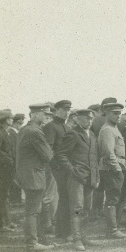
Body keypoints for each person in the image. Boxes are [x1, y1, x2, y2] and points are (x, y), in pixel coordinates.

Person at [54, 109, 100, 251]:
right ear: (77, 119)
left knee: (87, 208)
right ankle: (77, 239)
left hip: (90, 177)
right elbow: (61, 155)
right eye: (86, 118)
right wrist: (72, 171)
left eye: (91, 119)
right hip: (77, 178)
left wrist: (96, 176)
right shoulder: (73, 134)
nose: (89, 121)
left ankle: (83, 235)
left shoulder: (92, 135)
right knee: (77, 208)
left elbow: (94, 158)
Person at [15, 104, 55, 251]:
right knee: (33, 210)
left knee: (31, 209)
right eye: (45, 115)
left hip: (27, 174)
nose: (47, 118)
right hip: (34, 175)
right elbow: (48, 155)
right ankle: (32, 243)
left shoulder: (25, 129)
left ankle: (35, 240)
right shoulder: (35, 131)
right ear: (36, 114)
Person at [98, 102, 126, 239]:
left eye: (119, 113)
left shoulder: (114, 128)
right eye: (114, 113)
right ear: (106, 113)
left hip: (118, 166)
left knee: (116, 197)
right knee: (112, 198)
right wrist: (117, 168)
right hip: (111, 168)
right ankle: (112, 230)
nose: (118, 116)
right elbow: (108, 152)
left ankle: (114, 228)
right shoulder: (107, 130)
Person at [43, 100, 72, 244]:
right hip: (57, 169)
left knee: (65, 199)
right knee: (60, 198)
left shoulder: (66, 127)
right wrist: (56, 167)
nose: (67, 112)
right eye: (64, 109)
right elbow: (49, 149)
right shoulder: (51, 126)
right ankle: (61, 231)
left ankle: (62, 231)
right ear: (57, 110)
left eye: (68, 110)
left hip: (66, 168)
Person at [90, 97, 117, 219]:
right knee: (110, 185)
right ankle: (105, 212)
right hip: (110, 155)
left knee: (98, 185)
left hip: (96, 155)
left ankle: (95, 210)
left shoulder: (95, 120)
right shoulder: (110, 122)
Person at [0, 110, 16, 232]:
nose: (12, 120)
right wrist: (7, 159)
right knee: (0, 196)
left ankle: (2, 223)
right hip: (2, 170)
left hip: (5, 169)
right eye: (10, 118)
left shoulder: (3, 131)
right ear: (7, 120)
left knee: (2, 196)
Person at [9, 113, 25, 204]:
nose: (20, 125)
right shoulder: (12, 133)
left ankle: (17, 199)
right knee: (15, 180)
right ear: (14, 123)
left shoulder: (16, 132)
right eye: (19, 123)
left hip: (18, 160)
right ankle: (15, 200)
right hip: (15, 160)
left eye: (21, 123)